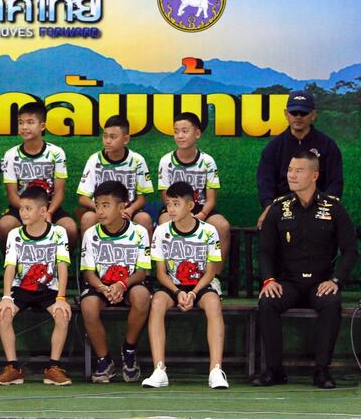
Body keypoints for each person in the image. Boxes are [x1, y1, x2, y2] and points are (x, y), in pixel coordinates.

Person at [252, 151, 358, 389]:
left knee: (331, 302)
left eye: (299, 170)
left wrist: (336, 280)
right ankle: (274, 370)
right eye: (290, 170)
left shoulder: (333, 207)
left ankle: (322, 370)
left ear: (314, 175)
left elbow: (350, 251)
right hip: (287, 282)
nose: (292, 175)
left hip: (320, 282)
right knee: (267, 302)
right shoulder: (279, 208)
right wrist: (269, 280)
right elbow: (265, 251)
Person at [142, 181, 228, 389]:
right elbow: (161, 274)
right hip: (173, 286)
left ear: (190, 206)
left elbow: (210, 272)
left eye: (176, 204)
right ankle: (159, 369)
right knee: (157, 304)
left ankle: (215, 370)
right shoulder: (162, 231)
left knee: (213, 304)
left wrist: (194, 292)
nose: (171, 209)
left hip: (201, 285)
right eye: (169, 204)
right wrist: (178, 291)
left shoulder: (209, 231)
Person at [0, 186, 72, 386]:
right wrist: (6, 297)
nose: (23, 213)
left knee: (62, 315)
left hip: (49, 290)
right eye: (21, 208)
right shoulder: (15, 235)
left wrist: (61, 298)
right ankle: (13, 368)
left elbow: (62, 267)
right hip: (22, 288)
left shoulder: (58, 233)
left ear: (43, 211)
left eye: (28, 208)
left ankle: (53, 368)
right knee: (4, 314)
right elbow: (10, 267)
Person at [79, 180, 151, 384]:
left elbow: (142, 271)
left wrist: (122, 285)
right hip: (101, 285)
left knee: (142, 296)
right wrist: (102, 287)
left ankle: (129, 350)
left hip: (129, 283)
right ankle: (104, 360)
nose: (100, 211)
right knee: (88, 305)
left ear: (122, 207)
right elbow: (88, 272)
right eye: (97, 205)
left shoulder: (139, 232)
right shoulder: (91, 234)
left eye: (106, 205)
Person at [156, 112, 230, 294]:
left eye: (184, 131)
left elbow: (211, 198)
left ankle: (214, 278)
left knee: (221, 225)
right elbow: (165, 198)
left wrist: (202, 215)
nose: (179, 136)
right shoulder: (166, 161)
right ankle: (169, 278)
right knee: (165, 223)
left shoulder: (207, 161)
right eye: (176, 131)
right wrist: (179, 213)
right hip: (174, 207)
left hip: (200, 208)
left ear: (197, 134)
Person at [255, 90, 344, 230]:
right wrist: (268, 206)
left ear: (313, 115)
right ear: (286, 114)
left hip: (319, 207)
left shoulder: (327, 145)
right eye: (293, 112)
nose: (298, 117)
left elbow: (335, 182)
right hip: (282, 208)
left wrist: (322, 207)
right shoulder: (274, 147)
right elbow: (265, 182)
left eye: (303, 113)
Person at [0, 101, 78, 252]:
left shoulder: (56, 153)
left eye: (30, 122)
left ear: (42, 126)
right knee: (5, 225)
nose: (24, 127)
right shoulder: (11, 155)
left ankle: (57, 270)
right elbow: (12, 194)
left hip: (49, 207)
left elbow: (60, 191)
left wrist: (48, 212)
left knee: (70, 228)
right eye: (21, 123)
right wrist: (28, 211)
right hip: (20, 207)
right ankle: (13, 269)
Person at [78, 115, 154, 237]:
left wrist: (130, 210)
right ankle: (86, 255)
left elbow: (142, 198)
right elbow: (83, 198)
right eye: (105, 136)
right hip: (101, 210)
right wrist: (101, 209)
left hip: (127, 210)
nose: (107, 141)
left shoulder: (137, 160)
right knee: (88, 218)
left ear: (126, 139)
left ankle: (146, 256)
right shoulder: (94, 160)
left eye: (113, 137)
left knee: (144, 219)